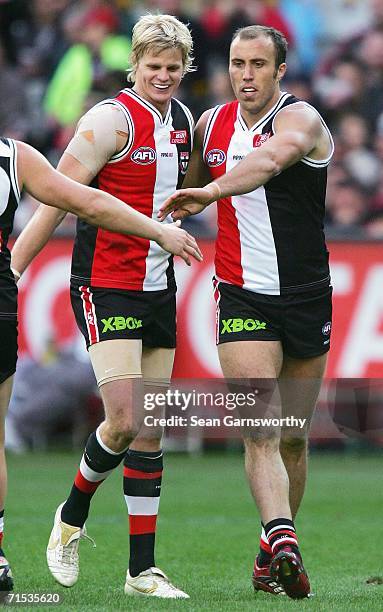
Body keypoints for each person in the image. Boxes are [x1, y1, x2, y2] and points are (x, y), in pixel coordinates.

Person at [12, 14, 197, 599]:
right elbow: (54, 200)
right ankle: (69, 520)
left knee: (151, 431)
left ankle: (142, 572)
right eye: (153, 66)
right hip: (105, 281)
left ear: (184, 69)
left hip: (158, 285)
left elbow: (172, 191)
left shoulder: (184, 123)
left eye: (173, 68)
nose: (162, 76)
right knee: (124, 417)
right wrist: (11, 269)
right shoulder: (108, 121)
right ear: (134, 66)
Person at [159, 25, 334, 599]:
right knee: (258, 430)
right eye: (237, 63)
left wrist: (210, 194)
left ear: (280, 71)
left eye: (259, 64)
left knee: (292, 437)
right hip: (240, 295)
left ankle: (272, 550)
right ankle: (282, 535)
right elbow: (171, 191)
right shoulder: (208, 125)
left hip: (307, 295)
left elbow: (269, 161)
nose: (246, 74)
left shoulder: (301, 121)